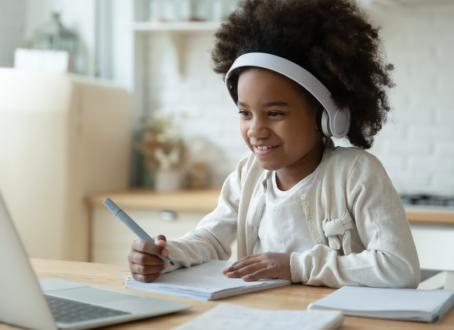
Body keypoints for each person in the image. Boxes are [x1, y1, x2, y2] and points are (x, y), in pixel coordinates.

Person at [127, 0, 420, 289]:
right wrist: (168, 254)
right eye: (245, 113)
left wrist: (293, 267)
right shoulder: (247, 174)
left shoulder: (356, 173)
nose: (256, 130)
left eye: (275, 113)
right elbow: (212, 238)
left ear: (326, 116)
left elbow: (400, 268)